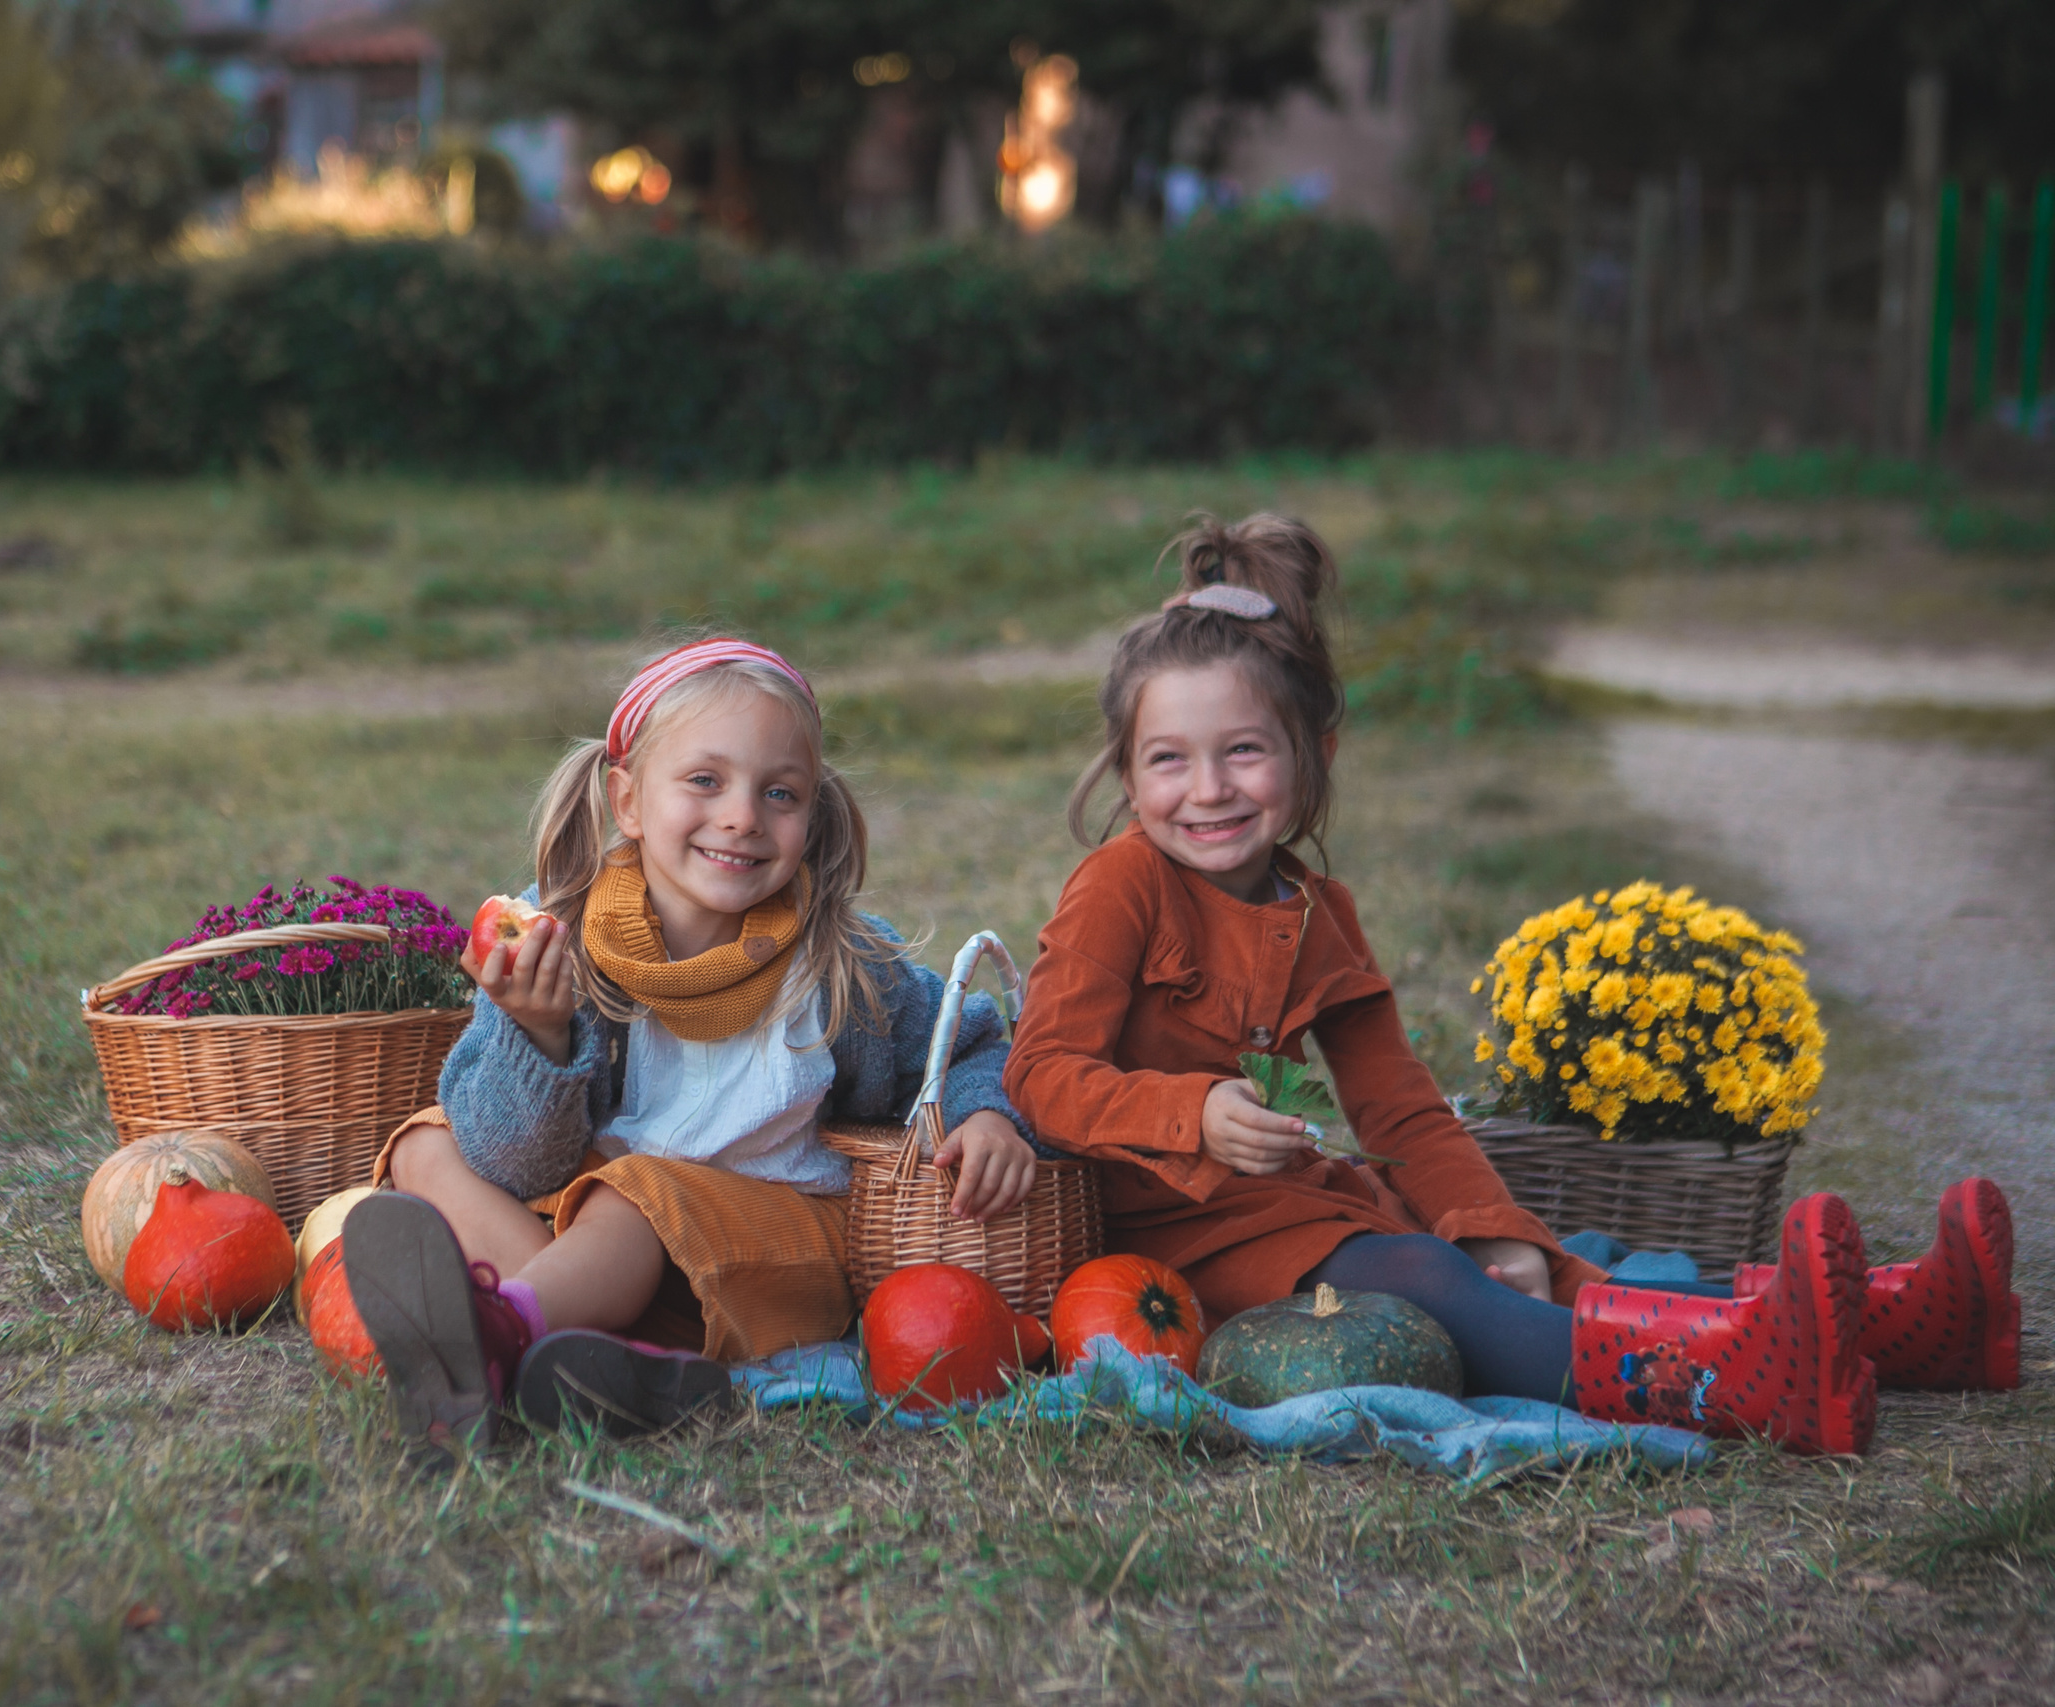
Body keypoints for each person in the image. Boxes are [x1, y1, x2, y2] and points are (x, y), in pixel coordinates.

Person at [1003, 512, 2020, 1455]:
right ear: (1128, 775)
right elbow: (1041, 1074)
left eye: (1242, 751)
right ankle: (1732, 1385)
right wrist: (1192, 1113)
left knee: (1553, 1271)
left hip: (1301, 1209)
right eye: (1168, 760)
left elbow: (1400, 1107)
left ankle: (1904, 1323)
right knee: (1424, 1278)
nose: (1208, 788)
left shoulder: (1317, 909)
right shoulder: (1121, 886)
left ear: (1312, 755)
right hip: (1168, 1235)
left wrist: (1501, 1230)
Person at [341, 637, 1042, 1455]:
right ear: (629, 800)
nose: (743, 815)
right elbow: (516, 1166)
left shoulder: (843, 960)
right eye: (705, 780)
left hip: (768, 1251)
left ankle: (501, 1337)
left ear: (812, 815)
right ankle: (583, 1350)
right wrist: (539, 1033)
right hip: (593, 1237)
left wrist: (985, 1115)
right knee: (427, 1144)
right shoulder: (560, 936)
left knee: (636, 1194)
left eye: (779, 792)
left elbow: (973, 1044)